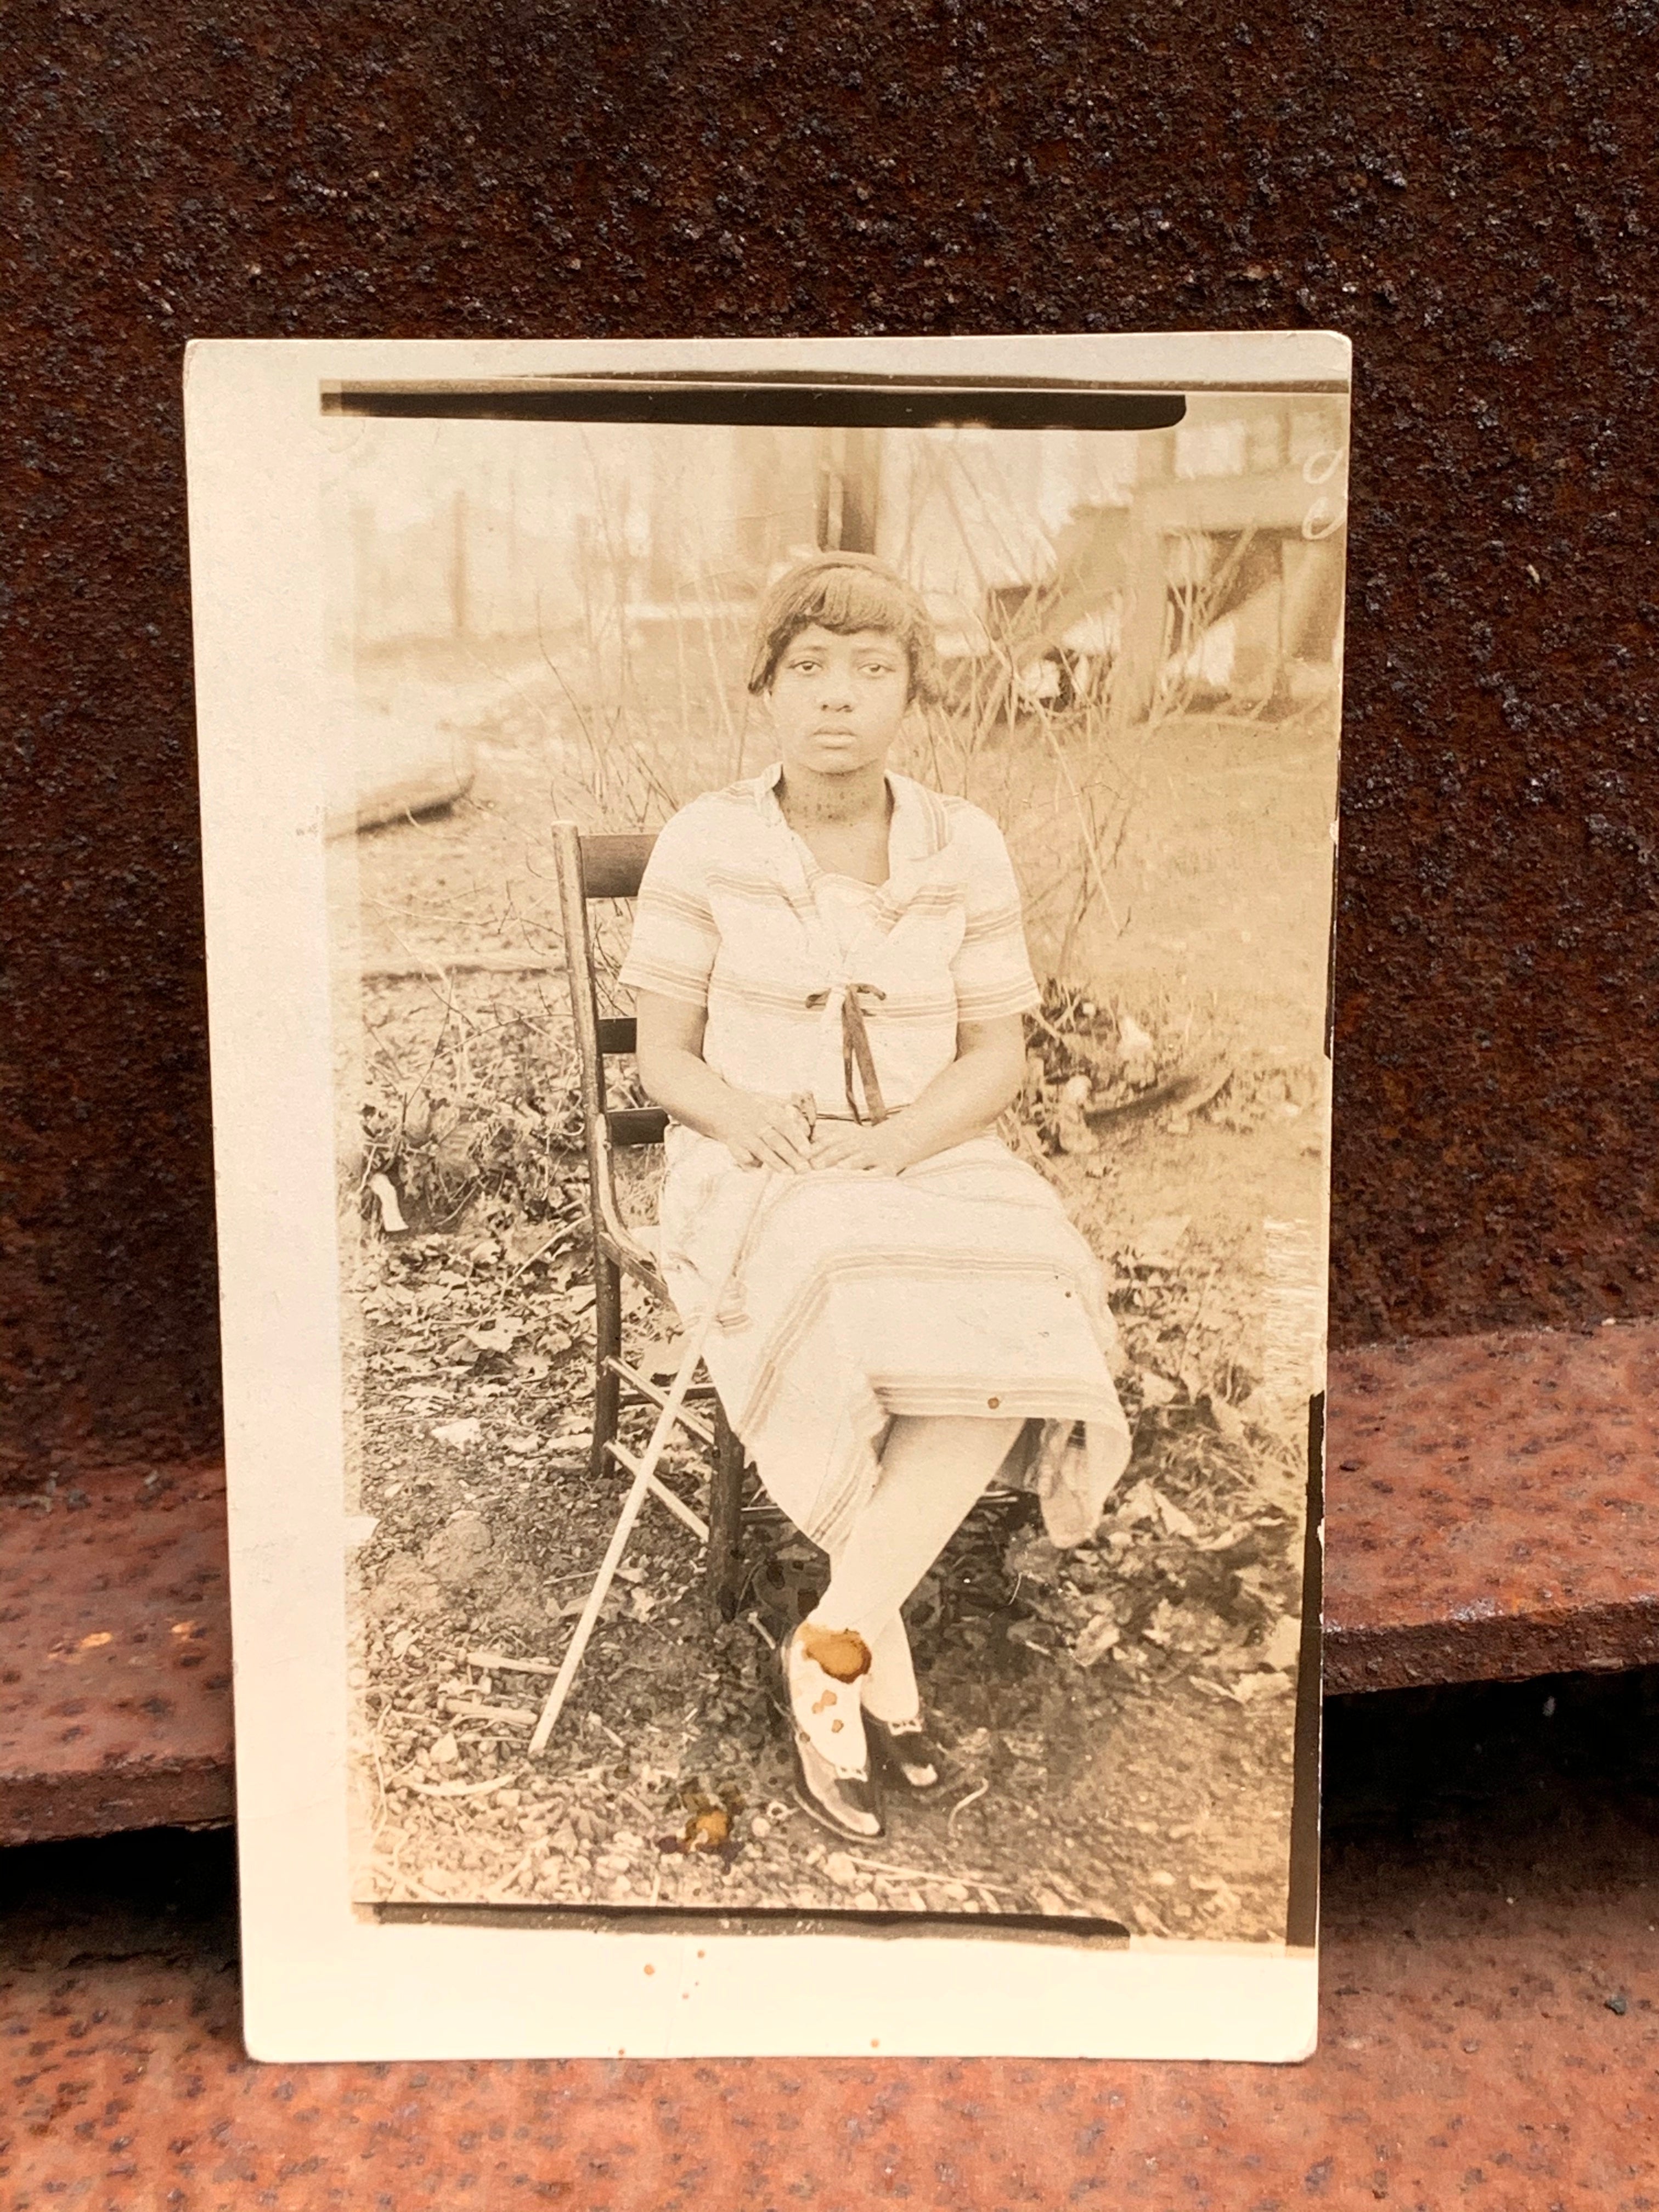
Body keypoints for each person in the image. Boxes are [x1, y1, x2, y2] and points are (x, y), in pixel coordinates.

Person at [619, 551, 1131, 1840]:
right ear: (767, 685)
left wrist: (898, 1143)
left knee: (1036, 1299)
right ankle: (874, 1664)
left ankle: (838, 1637)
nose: (837, 697)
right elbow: (668, 1058)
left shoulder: (965, 843)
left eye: (872, 669)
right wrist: (753, 1119)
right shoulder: (709, 838)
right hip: (755, 1161)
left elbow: (998, 1055)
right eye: (809, 668)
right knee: (849, 1279)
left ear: (913, 692)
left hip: (927, 1150)